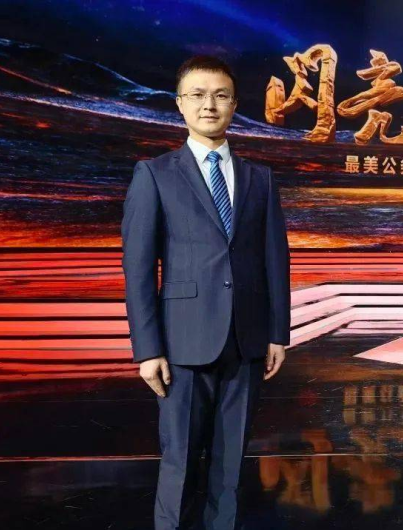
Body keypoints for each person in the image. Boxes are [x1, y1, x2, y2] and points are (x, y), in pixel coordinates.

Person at [121, 55, 290, 529]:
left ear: (234, 104)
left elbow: (275, 259)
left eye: (220, 95)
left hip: (247, 341)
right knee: (179, 463)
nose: (208, 105)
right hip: (182, 343)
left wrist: (277, 333)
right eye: (197, 95)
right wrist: (147, 349)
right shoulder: (154, 174)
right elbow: (138, 268)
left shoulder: (260, 178)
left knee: (230, 468)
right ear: (180, 104)